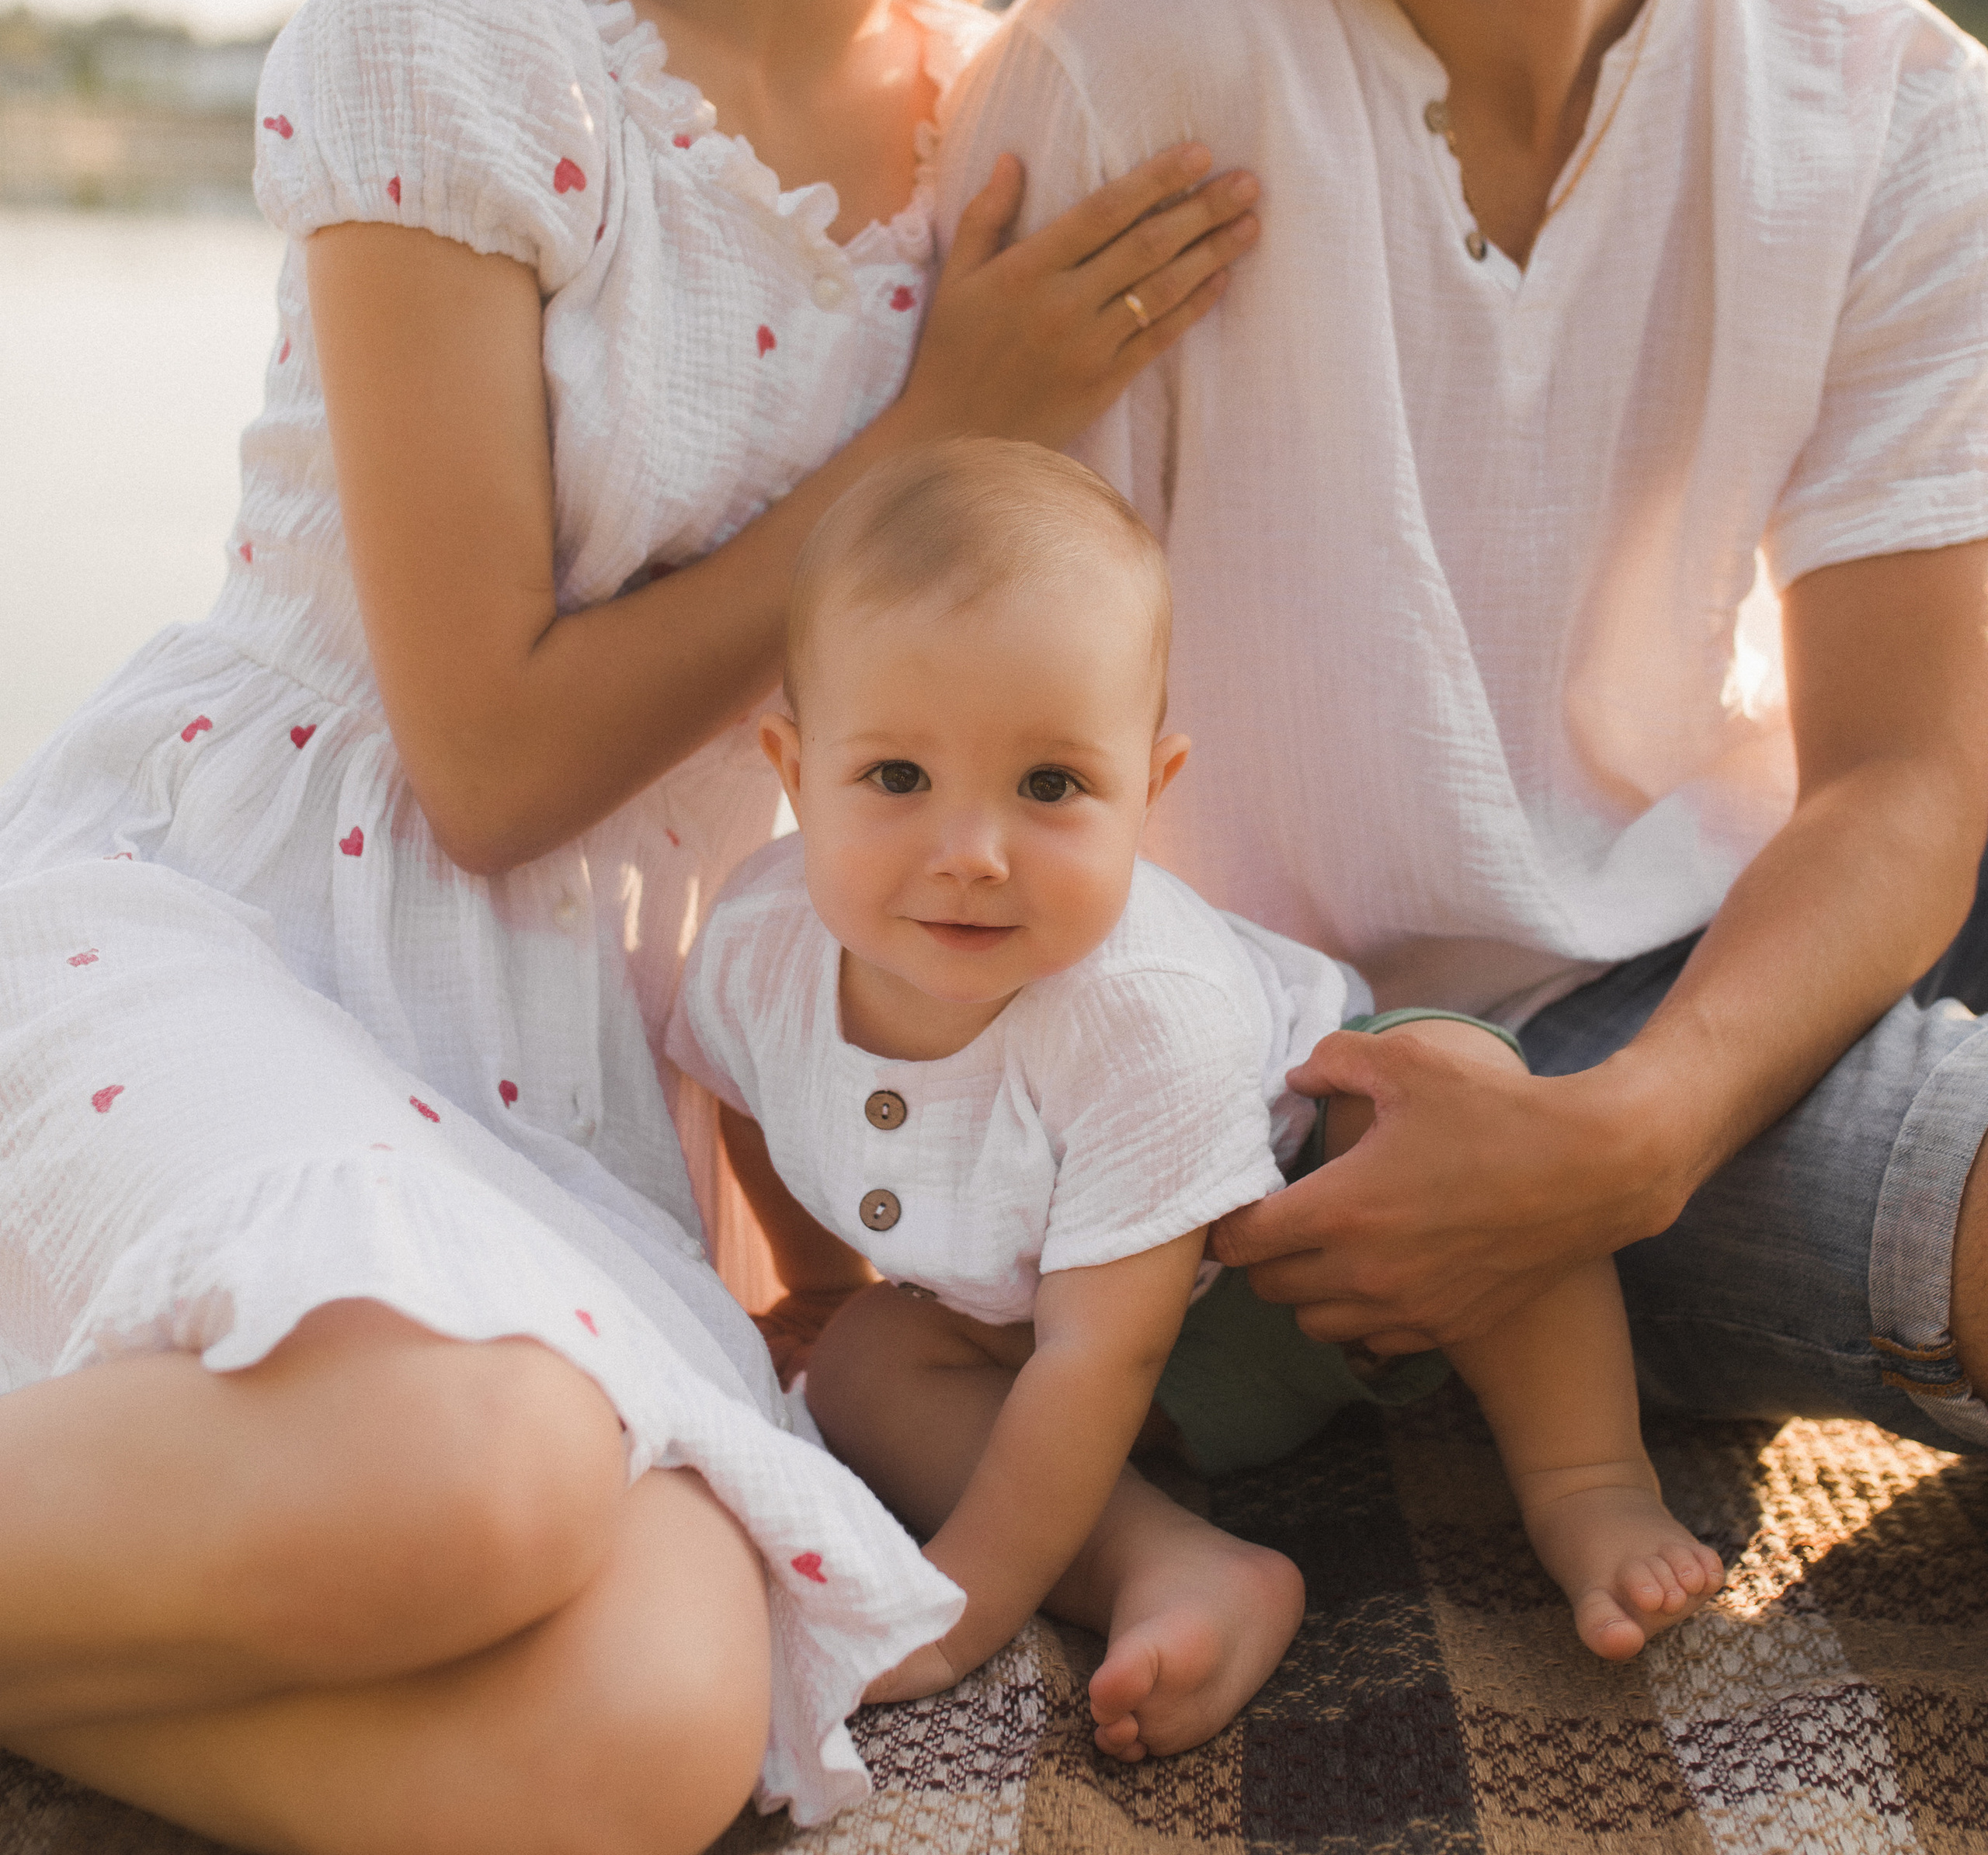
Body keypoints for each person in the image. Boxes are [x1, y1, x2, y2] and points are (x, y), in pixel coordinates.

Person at [0, 0, 1263, 1855]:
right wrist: (927, 442)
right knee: (461, 1486)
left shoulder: (991, 123)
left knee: (638, 1740)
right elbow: (479, 752)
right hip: (269, 928)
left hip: (590, 1069)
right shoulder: (463, 18)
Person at [936, 0, 1988, 1479]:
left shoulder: (1892, 117)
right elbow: (971, 767)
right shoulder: (1134, 60)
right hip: (1293, 1065)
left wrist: (1632, 1135)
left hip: (1701, 992)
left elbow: (1901, 775)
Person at [670, 440, 1722, 1742]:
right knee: (865, 1364)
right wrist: (820, 1283)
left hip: (1335, 1225)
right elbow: (750, 1101)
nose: (973, 855)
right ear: (790, 771)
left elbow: (1100, 1351)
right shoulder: (756, 952)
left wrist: (963, 1610)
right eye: (896, 778)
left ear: (1149, 790)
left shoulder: (1141, 1011)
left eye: (1051, 785)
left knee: (1456, 1087)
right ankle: (1168, 1565)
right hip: (1137, 1359)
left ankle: (1589, 1478)